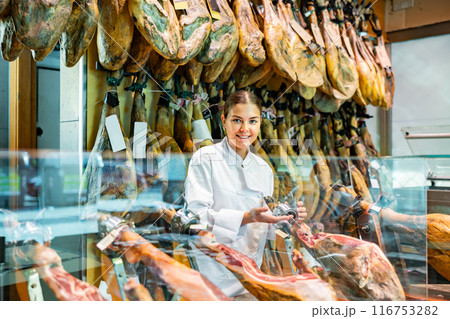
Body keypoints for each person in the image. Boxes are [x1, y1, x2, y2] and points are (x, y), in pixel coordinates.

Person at [184, 90, 307, 298]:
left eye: (252, 121)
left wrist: (286, 219)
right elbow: (196, 218)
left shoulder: (263, 169)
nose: (244, 129)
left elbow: (263, 227)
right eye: (237, 120)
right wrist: (246, 217)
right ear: (224, 121)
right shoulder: (204, 159)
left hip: (251, 281)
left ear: (259, 123)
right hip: (211, 280)